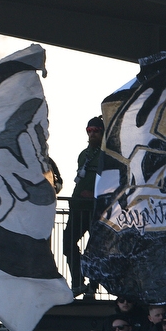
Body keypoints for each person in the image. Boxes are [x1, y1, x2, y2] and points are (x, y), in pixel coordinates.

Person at [63, 116, 103, 297]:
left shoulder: (107, 155)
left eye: (96, 130)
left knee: (94, 249)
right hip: (78, 206)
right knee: (67, 243)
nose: (92, 134)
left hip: (96, 209)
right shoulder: (83, 154)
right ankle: (78, 282)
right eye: (89, 131)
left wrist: (94, 194)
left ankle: (92, 288)